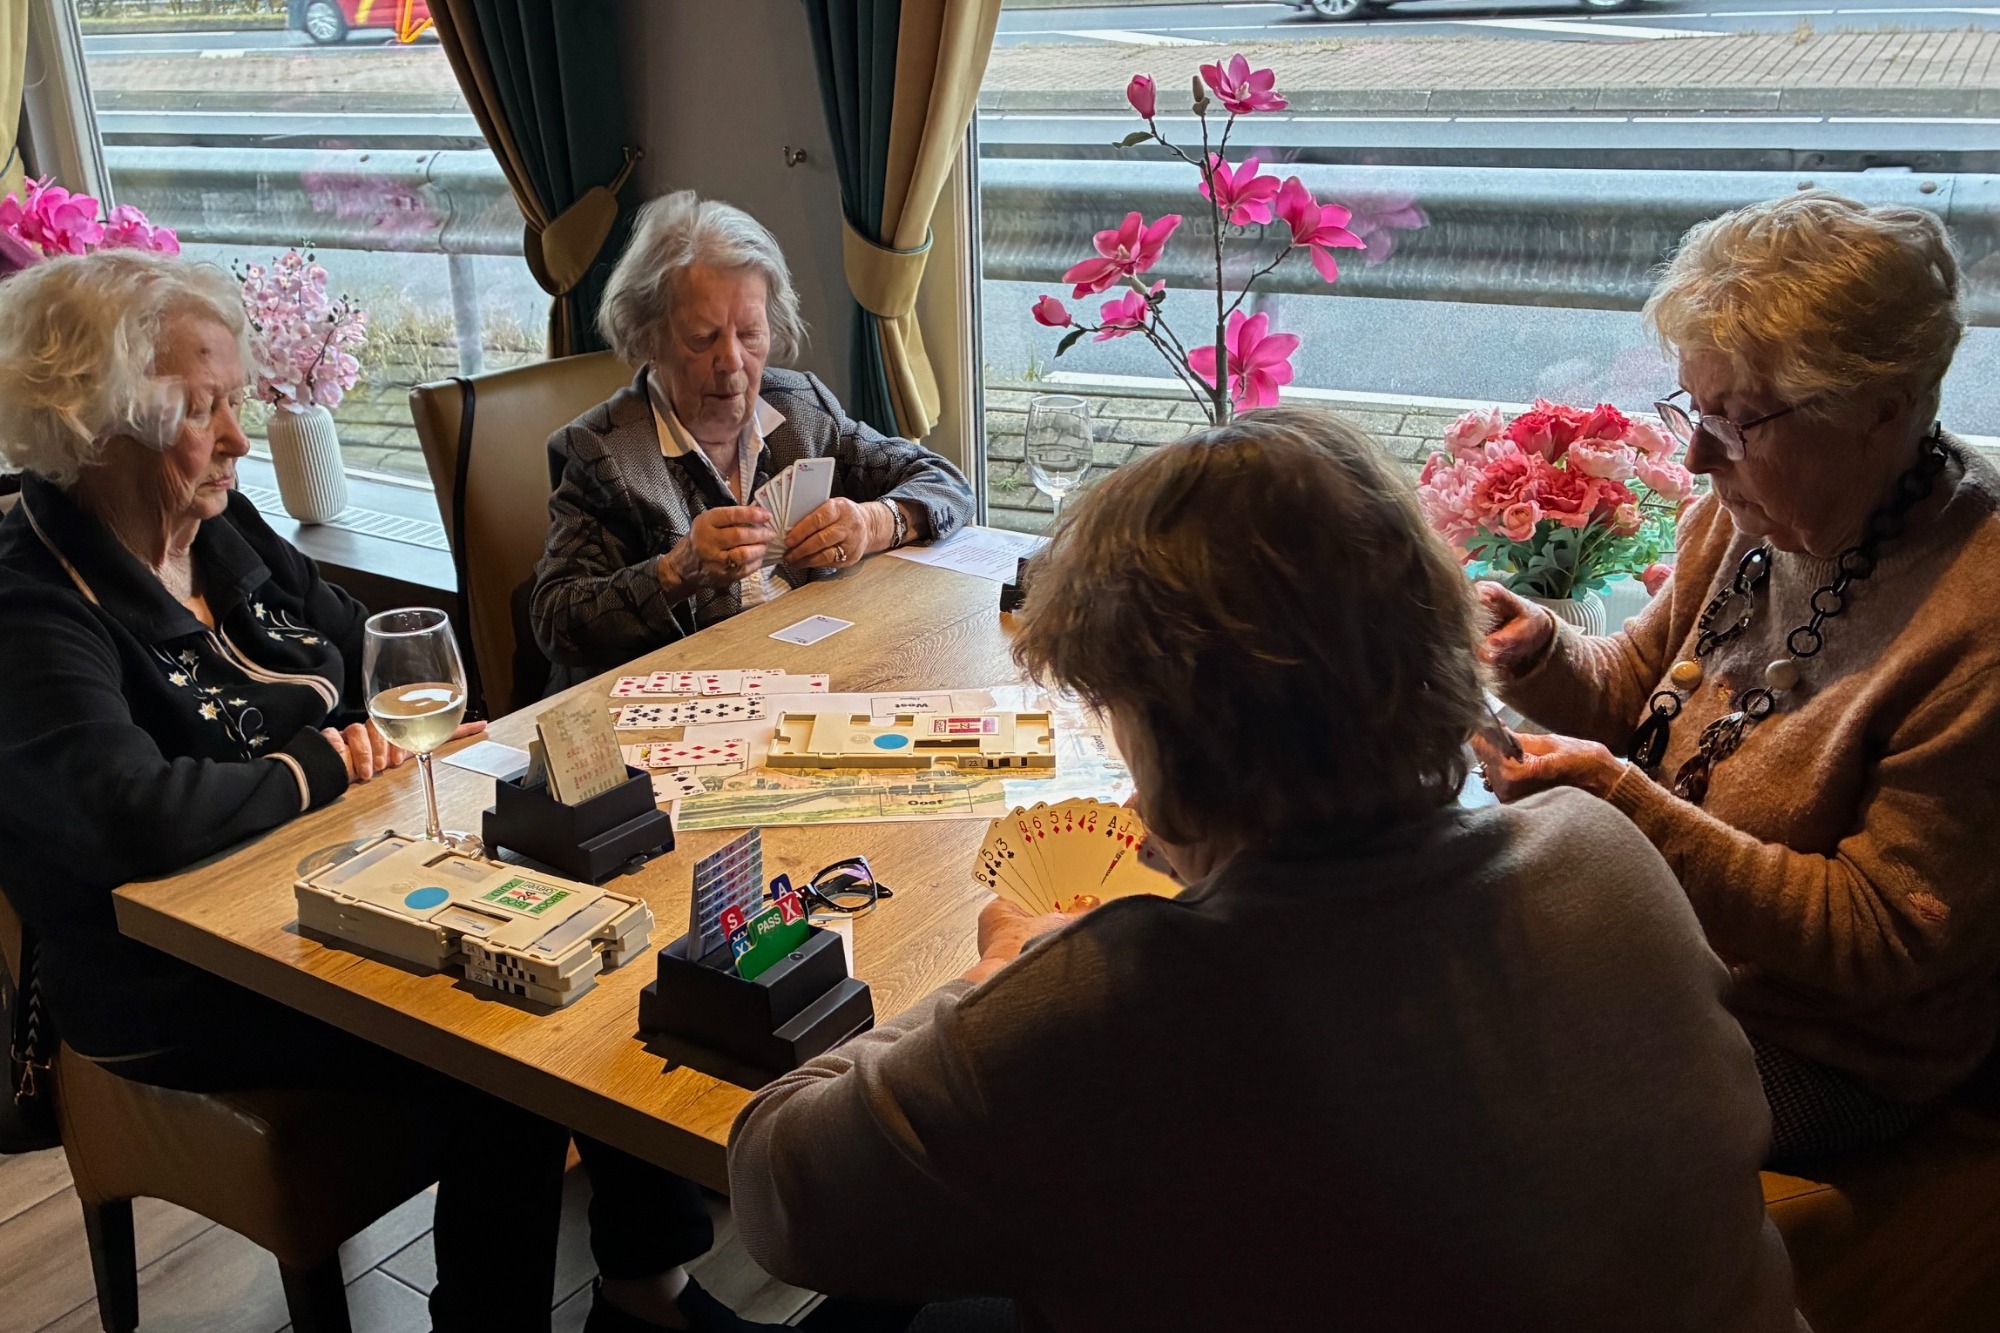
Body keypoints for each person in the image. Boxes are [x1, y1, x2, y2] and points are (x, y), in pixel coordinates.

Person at [726, 408, 1801, 1333]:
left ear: (1170, 734)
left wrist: (995, 977)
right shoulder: (1601, 850)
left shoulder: (1105, 1000)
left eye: (1116, 721)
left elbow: (777, 1186)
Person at [0, 250, 784, 1333]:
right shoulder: (32, 601)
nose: (238, 438)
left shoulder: (219, 525)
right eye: (202, 408)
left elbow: (365, 649)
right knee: (507, 1026)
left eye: (235, 401)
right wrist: (324, 763)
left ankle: (646, 1289)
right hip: (175, 971)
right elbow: (131, 813)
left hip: (346, 872)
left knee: (603, 918)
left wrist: (366, 746)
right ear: (99, 428)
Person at [1471, 191, 2000, 1169]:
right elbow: (1638, 696)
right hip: (1661, 950)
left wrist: (1625, 808)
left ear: (1881, 407)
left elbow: (1879, 934)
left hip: (1827, 1050)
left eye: (1737, 418)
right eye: (1693, 407)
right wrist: (1539, 651)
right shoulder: (1749, 511)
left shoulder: (1979, 615)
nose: (1697, 452)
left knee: (1490, 1118)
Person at [531, 191, 974, 690]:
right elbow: (556, 618)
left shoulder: (801, 408)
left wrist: (872, 523)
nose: (732, 362)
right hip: (680, 703)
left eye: (750, 334)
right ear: (649, 338)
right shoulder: (603, 451)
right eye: (702, 338)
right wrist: (675, 572)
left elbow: (946, 482)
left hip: (813, 675)